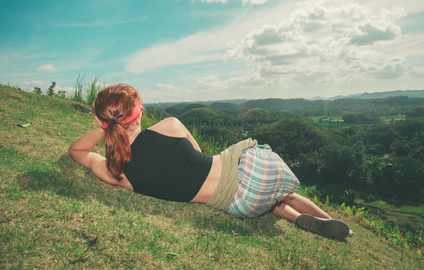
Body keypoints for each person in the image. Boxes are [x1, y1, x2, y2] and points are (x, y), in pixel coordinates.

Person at [69, 84, 351, 240]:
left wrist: (107, 127)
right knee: (283, 192)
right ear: (139, 114)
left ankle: (297, 218)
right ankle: (335, 225)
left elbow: (78, 152)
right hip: (258, 173)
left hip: (241, 206)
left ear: (101, 121)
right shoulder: (170, 125)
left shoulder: (117, 173)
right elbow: (198, 152)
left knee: (262, 199)